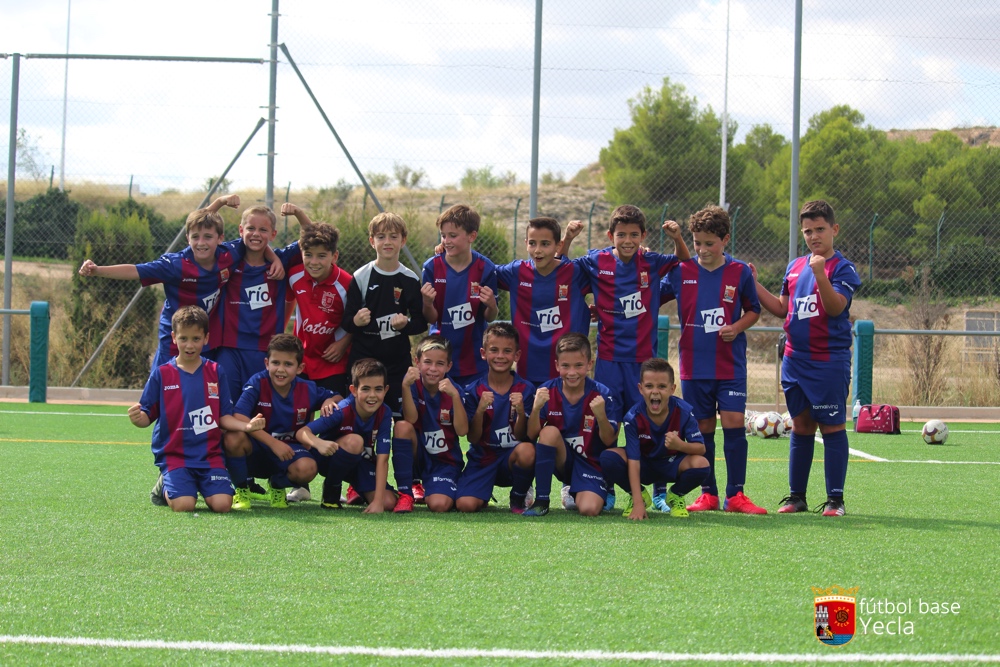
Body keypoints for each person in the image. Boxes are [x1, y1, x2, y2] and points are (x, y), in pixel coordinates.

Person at [752, 200, 861, 517]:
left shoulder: (843, 268)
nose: (814, 236)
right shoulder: (794, 266)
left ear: (834, 230)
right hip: (794, 360)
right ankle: (796, 497)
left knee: (831, 427)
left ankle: (835, 501)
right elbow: (782, 309)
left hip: (828, 361)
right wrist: (755, 283)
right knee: (800, 427)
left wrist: (821, 273)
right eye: (808, 231)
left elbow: (836, 307)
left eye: (820, 230)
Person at [79, 195, 276, 369]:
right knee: (163, 392)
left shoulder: (228, 255)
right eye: (195, 237)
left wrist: (274, 259)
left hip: (207, 339)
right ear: (187, 238)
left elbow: (253, 241)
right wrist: (98, 270)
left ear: (220, 239)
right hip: (175, 339)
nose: (201, 243)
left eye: (208, 237)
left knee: (201, 393)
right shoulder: (174, 265)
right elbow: (135, 269)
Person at [658, 205, 766, 515]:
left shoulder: (740, 272)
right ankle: (709, 494)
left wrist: (736, 326)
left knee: (733, 424)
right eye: (697, 243)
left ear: (725, 240)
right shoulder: (681, 272)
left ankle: (737, 495)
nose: (703, 250)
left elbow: (754, 310)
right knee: (702, 429)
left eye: (710, 243)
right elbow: (650, 293)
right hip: (694, 365)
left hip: (730, 364)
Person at [128, 305, 265, 513]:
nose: (189, 345)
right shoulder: (162, 374)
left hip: (209, 455)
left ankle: (197, 484)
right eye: (183, 338)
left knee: (222, 505)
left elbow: (223, 417)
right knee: (184, 505)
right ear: (173, 337)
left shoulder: (215, 371)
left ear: (206, 338)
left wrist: (247, 426)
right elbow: (147, 416)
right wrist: (138, 419)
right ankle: (165, 482)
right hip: (175, 455)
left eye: (196, 339)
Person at [341, 212, 428, 512]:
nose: (387, 242)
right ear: (372, 241)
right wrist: (356, 318)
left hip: (396, 365)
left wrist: (407, 323)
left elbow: (421, 322)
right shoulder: (361, 276)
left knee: (403, 423)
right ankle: (356, 482)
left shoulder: (409, 279)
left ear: (403, 241)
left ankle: (411, 482)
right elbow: (346, 321)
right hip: (365, 363)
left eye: (393, 237)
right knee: (362, 424)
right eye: (381, 237)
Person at [284, 211, 353, 503]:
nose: (314, 262)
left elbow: (355, 322)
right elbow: (287, 307)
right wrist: (284, 343)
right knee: (298, 421)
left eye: (321, 256)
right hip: (302, 362)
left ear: (334, 256)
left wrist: (343, 343)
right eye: (308, 255)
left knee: (333, 421)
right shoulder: (295, 275)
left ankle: (333, 489)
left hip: (333, 363)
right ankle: (302, 484)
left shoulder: (346, 283)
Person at [226, 334, 340, 509]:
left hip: (288, 451)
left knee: (308, 468)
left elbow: (338, 397)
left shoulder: (307, 388)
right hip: (259, 448)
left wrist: (328, 401)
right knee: (233, 437)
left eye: (288, 364)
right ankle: (241, 489)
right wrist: (272, 443)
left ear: (300, 367)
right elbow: (239, 417)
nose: (281, 369)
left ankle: (277, 485)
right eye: (276, 363)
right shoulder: (257, 382)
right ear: (266, 363)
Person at [599, 358, 710, 520]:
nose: (655, 391)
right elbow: (634, 460)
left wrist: (679, 445)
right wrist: (637, 503)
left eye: (662, 386)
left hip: (671, 464)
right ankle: (640, 496)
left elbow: (700, 448)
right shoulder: (633, 417)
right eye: (649, 386)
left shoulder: (684, 411)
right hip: (644, 465)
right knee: (608, 458)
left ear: (672, 389)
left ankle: (675, 495)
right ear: (640, 388)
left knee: (702, 464)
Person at [523, 333, 619, 517]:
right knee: (548, 432)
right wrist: (535, 410)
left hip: (591, 464)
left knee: (589, 509)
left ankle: (579, 488)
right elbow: (531, 435)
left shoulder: (602, 394)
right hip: (563, 462)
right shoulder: (547, 390)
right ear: (557, 365)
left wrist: (601, 416)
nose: (572, 372)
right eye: (565, 366)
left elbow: (608, 440)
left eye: (578, 365)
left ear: (589, 365)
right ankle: (542, 500)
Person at [494, 217, 590, 387]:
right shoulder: (516, 272)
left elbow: (611, 276)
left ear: (557, 246)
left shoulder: (575, 273)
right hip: (527, 369)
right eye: (532, 243)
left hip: (568, 372)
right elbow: (479, 268)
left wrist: (640, 253)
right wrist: (450, 251)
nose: (537, 250)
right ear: (526, 243)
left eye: (545, 244)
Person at [295, 358, 398, 513]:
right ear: (354, 390)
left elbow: (383, 459)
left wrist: (377, 502)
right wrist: (319, 443)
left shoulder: (384, 412)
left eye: (378, 389)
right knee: (355, 441)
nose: (372, 395)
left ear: (386, 390)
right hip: (328, 459)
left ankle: (358, 489)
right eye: (365, 389)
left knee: (388, 502)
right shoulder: (341, 410)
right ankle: (332, 489)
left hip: (360, 462)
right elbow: (302, 432)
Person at [456, 323, 536, 514]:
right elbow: (472, 438)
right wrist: (480, 411)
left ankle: (518, 496)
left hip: (510, 459)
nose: (500, 356)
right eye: (494, 350)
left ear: (516, 355)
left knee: (527, 450)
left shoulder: (526, 389)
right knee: (465, 505)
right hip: (482, 460)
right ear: (484, 353)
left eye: (507, 351)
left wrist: (520, 410)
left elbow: (522, 435)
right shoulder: (473, 390)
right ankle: (482, 493)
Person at [421, 204, 499, 386]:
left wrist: (492, 305)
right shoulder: (432, 267)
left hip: (474, 359)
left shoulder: (485, 268)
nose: (446, 241)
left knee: (473, 410)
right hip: (439, 357)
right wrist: (426, 303)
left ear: (472, 236)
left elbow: (490, 316)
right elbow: (431, 317)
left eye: (453, 236)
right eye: (443, 235)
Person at [398, 335, 469, 513]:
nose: (433, 369)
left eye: (440, 364)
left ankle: (449, 485)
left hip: (444, 461)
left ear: (448, 366)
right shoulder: (412, 385)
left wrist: (455, 397)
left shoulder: (455, 390)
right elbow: (411, 419)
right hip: (420, 455)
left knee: (439, 505)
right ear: (417, 362)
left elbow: (462, 431)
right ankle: (406, 492)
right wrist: (405, 387)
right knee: (401, 427)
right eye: (427, 362)